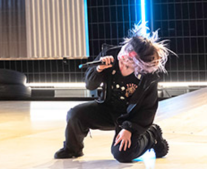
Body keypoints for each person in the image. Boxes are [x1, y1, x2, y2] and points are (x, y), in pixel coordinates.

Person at [54, 23, 172, 162]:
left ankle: (152, 134)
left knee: (123, 154)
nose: (122, 59)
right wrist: (99, 69)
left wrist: (130, 128)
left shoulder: (148, 77)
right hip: (107, 109)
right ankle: (72, 149)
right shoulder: (110, 54)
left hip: (130, 118)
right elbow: (90, 85)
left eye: (128, 62)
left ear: (139, 65)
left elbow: (148, 110)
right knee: (75, 114)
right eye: (123, 52)